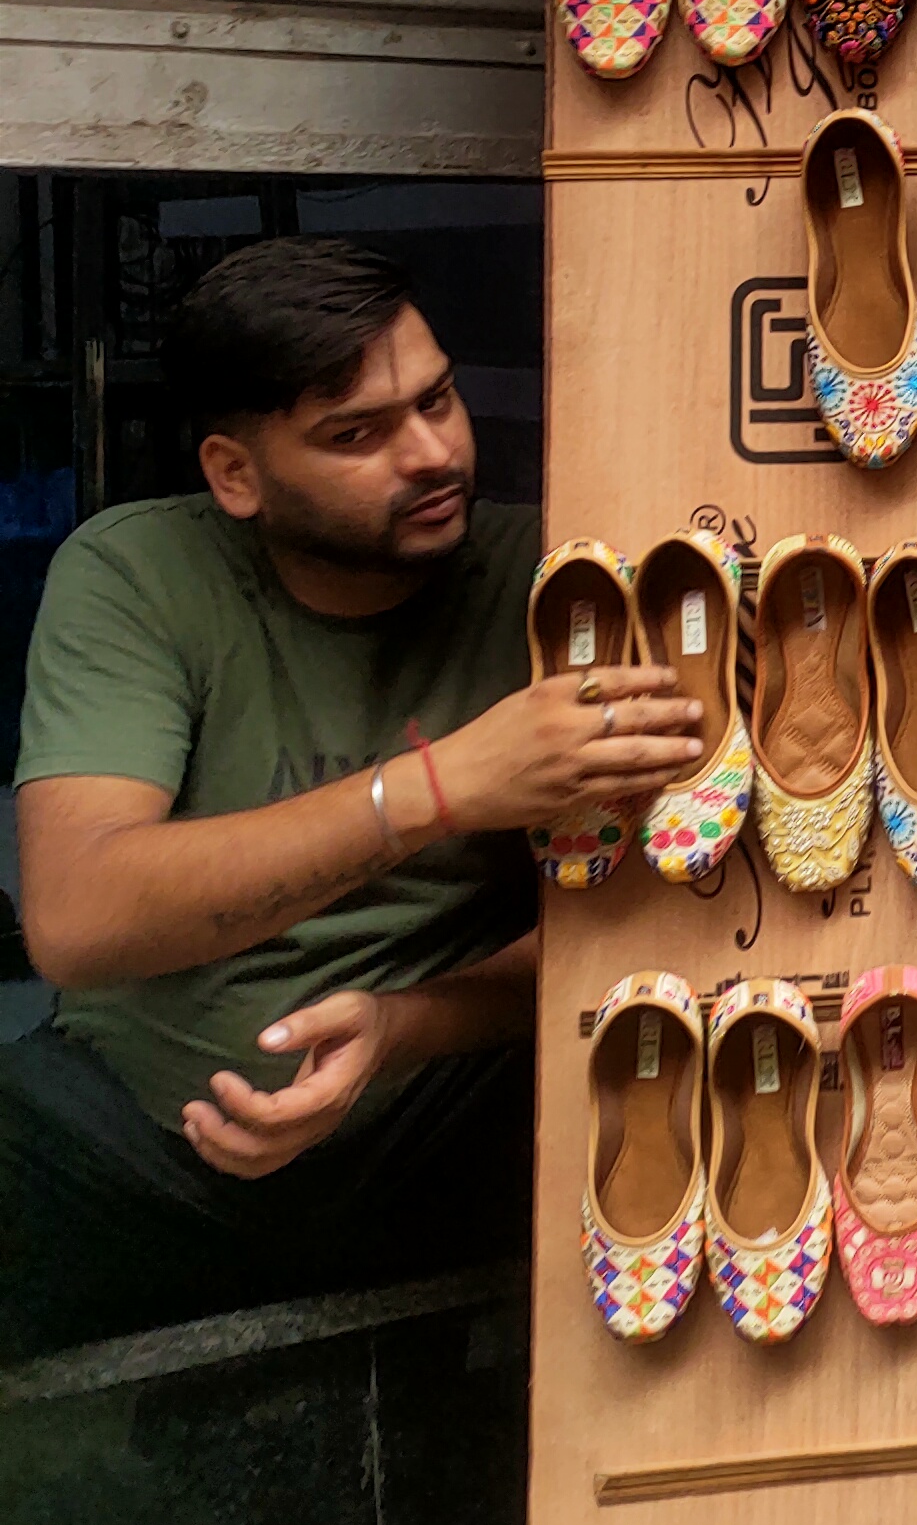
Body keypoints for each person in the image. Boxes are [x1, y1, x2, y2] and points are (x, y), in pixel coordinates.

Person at [2, 237, 700, 1361]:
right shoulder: (136, 574)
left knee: (640, 1073)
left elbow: (625, 936)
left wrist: (400, 1030)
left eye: (436, 399)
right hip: (132, 1120)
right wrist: (439, 787)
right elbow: (80, 917)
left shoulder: (559, 581)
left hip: (426, 1107)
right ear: (236, 473)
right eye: (355, 434)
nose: (432, 453)